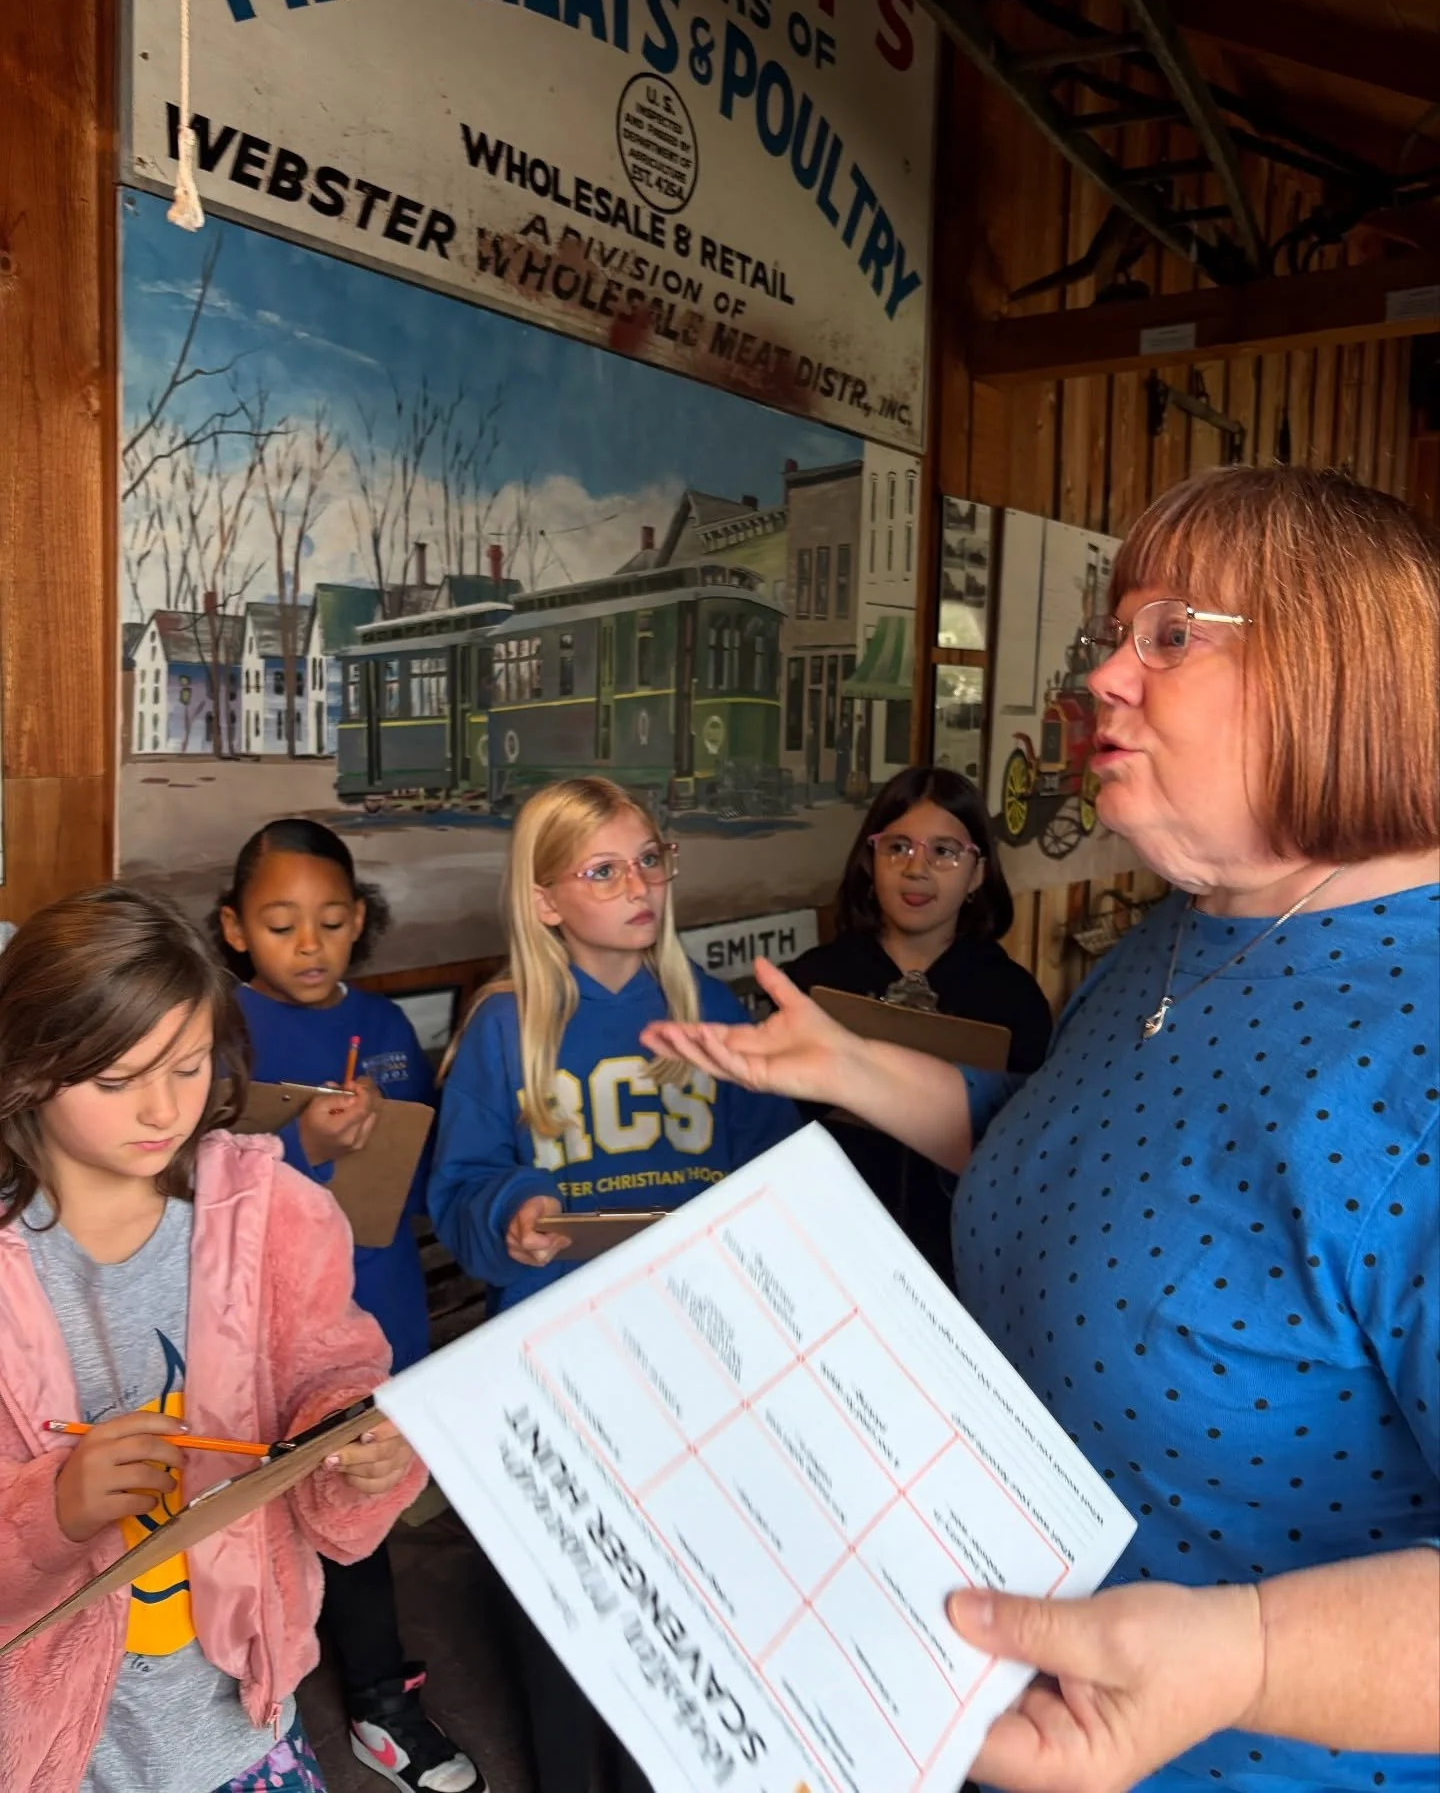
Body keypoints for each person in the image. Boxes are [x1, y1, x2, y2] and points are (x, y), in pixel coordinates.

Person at [642, 466, 1440, 1793]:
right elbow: (1099, 1167)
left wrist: (1240, 1654)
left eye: (1170, 635)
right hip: (994, 1714)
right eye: (1113, 635)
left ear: (1337, 671)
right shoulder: (1173, 942)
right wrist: (854, 1063)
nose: (1105, 679)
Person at [0, 884, 426, 1793]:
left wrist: (359, 1446)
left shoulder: (275, 1218)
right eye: (116, 1081)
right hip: (51, 1751)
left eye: (189, 1067)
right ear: (26, 1067)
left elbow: (333, 1382)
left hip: (241, 1726)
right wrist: (56, 1512)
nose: (162, 1110)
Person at [429, 775, 798, 1792]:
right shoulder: (505, 1027)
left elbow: (781, 1170)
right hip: (557, 1364)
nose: (638, 883)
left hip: (695, 1360)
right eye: (603, 868)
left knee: (689, 1619)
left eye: (650, 857)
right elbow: (456, 1189)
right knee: (566, 1616)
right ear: (545, 897)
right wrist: (513, 1211)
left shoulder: (709, 1011)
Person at [214, 820, 478, 1793]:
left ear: (359, 921)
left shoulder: (392, 1030)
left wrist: (374, 1145)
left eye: (330, 920)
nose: (310, 942)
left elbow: (408, 1190)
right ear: (236, 928)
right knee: (256, 1526)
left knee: (357, 1512)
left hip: (375, 1312)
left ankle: (376, 1702)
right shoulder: (216, 1031)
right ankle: (253, 1713)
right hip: (255, 1330)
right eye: (282, 923)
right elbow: (194, 1192)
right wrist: (308, 1149)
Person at [785, 765, 1051, 1280]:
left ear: (978, 873)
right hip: (825, 1252)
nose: (916, 869)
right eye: (897, 847)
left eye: (944, 852)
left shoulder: (1011, 997)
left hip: (960, 1261)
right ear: (870, 860)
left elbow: (1030, 1150)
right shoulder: (815, 981)